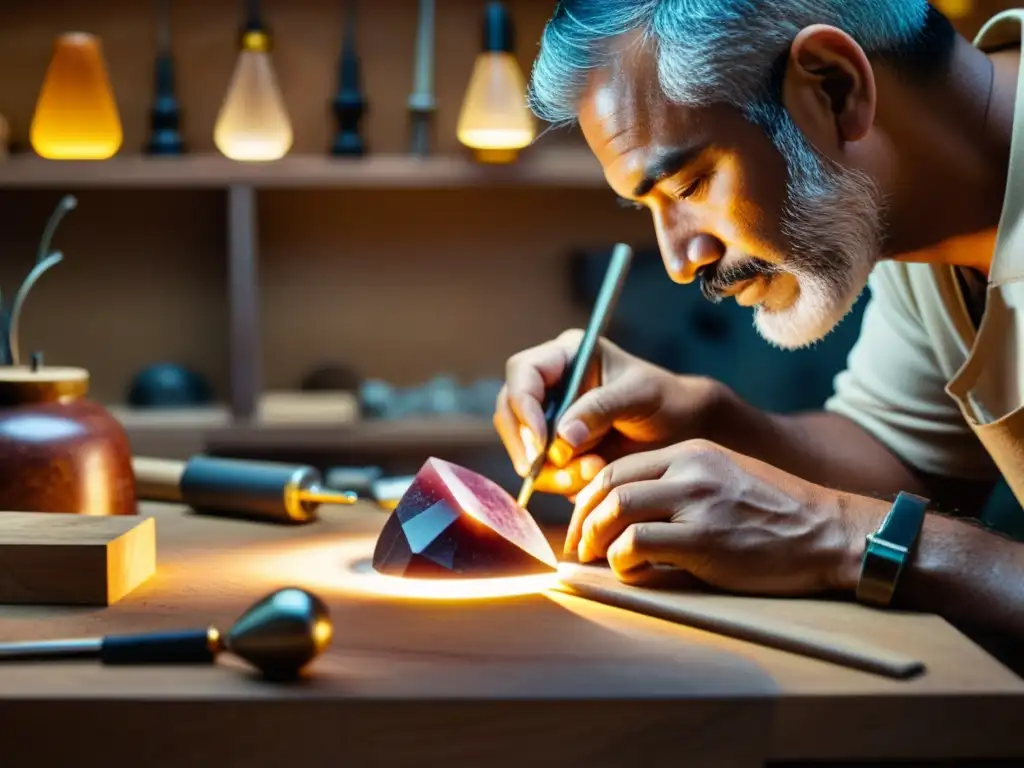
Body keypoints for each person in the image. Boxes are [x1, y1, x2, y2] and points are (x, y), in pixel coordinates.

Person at [494, 0, 1024, 642]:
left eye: (688, 187)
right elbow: (907, 463)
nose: (681, 261)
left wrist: (836, 533)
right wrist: (701, 420)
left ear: (834, 87)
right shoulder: (920, 220)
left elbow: (860, 520)